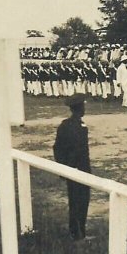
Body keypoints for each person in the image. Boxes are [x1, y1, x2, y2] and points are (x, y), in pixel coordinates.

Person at [53, 93, 92, 241]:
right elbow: (80, 152)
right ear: (80, 108)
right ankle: (79, 233)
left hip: (70, 169)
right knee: (81, 202)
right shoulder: (81, 127)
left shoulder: (64, 125)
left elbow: (57, 148)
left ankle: (76, 231)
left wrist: (63, 167)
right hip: (80, 169)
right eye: (83, 106)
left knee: (74, 201)